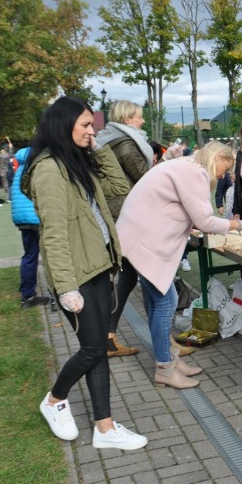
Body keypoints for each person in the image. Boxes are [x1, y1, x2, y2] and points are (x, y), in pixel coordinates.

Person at [23, 95, 147, 450]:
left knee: (95, 348)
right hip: (75, 274)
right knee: (93, 349)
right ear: (63, 126)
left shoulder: (76, 161)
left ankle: (104, 428)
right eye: (85, 125)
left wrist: (97, 150)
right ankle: (54, 400)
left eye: (91, 125)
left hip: (97, 265)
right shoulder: (49, 170)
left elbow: (120, 189)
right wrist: (65, 287)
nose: (91, 130)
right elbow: (54, 233)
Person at [117, 141, 242, 390]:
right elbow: (205, 221)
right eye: (223, 169)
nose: (223, 175)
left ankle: (169, 358)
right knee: (166, 302)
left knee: (156, 301)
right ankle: (164, 368)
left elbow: (177, 207)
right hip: (144, 242)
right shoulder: (195, 172)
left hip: (135, 237)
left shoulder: (185, 165)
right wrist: (241, 225)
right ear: (216, 159)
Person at [95, 100, 155, 358]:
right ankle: (164, 345)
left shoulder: (108, 139)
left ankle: (108, 336)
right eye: (139, 117)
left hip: (118, 214)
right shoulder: (126, 145)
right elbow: (146, 180)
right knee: (151, 279)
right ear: (128, 118)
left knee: (128, 277)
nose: (142, 121)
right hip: (130, 214)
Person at [10, 146, 51, 309]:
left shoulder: (20, 167)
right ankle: (56, 294)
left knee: (30, 256)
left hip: (22, 218)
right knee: (50, 256)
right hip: (36, 216)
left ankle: (27, 296)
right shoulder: (39, 166)